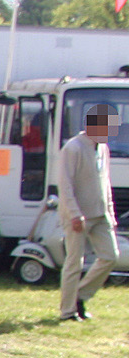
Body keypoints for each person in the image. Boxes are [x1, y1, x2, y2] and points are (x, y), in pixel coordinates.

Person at [52, 105, 120, 321]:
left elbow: (105, 182)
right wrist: (74, 214)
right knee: (74, 262)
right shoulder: (73, 148)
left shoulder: (103, 148)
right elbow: (65, 185)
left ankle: (80, 296)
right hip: (77, 215)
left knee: (110, 256)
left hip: (100, 214)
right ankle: (67, 311)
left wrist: (110, 211)